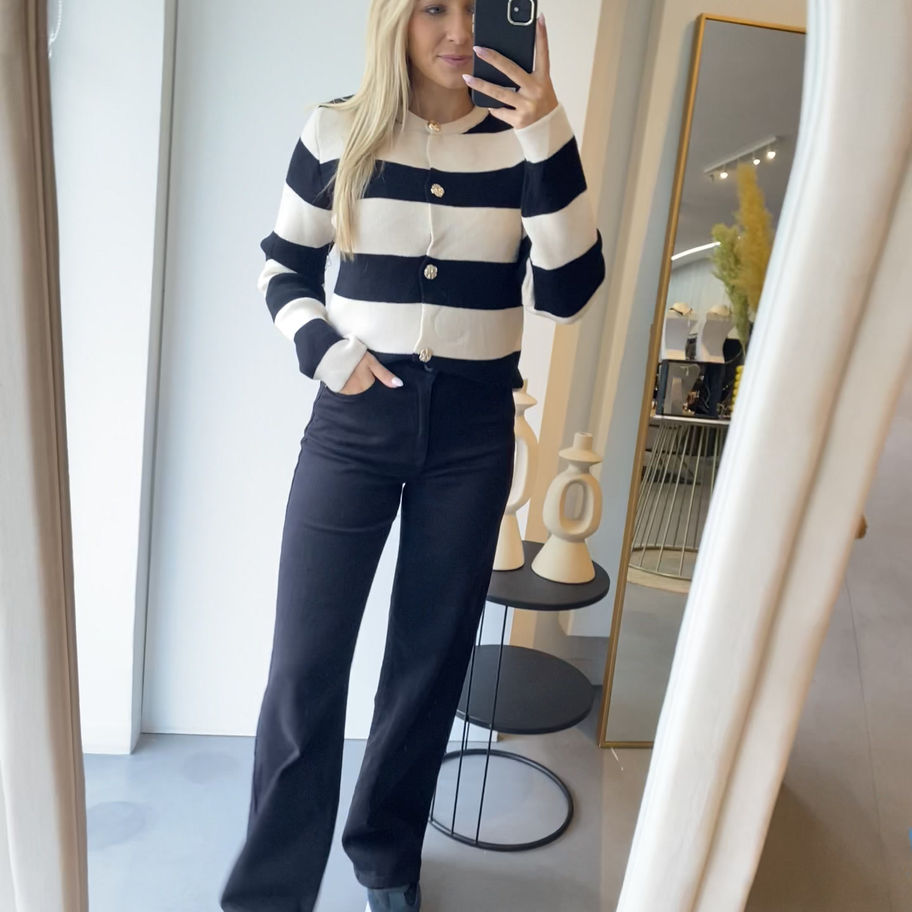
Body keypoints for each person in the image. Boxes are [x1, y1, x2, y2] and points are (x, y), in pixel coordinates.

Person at [219, 1, 605, 910]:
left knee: (428, 665)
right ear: (396, 17)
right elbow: (281, 265)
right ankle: (270, 891)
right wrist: (329, 353)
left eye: (475, 6)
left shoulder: (525, 141)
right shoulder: (338, 130)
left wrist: (546, 129)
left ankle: (387, 861)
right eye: (434, 6)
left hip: (471, 433)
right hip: (354, 427)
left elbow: (570, 292)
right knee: (305, 666)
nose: (459, 30)